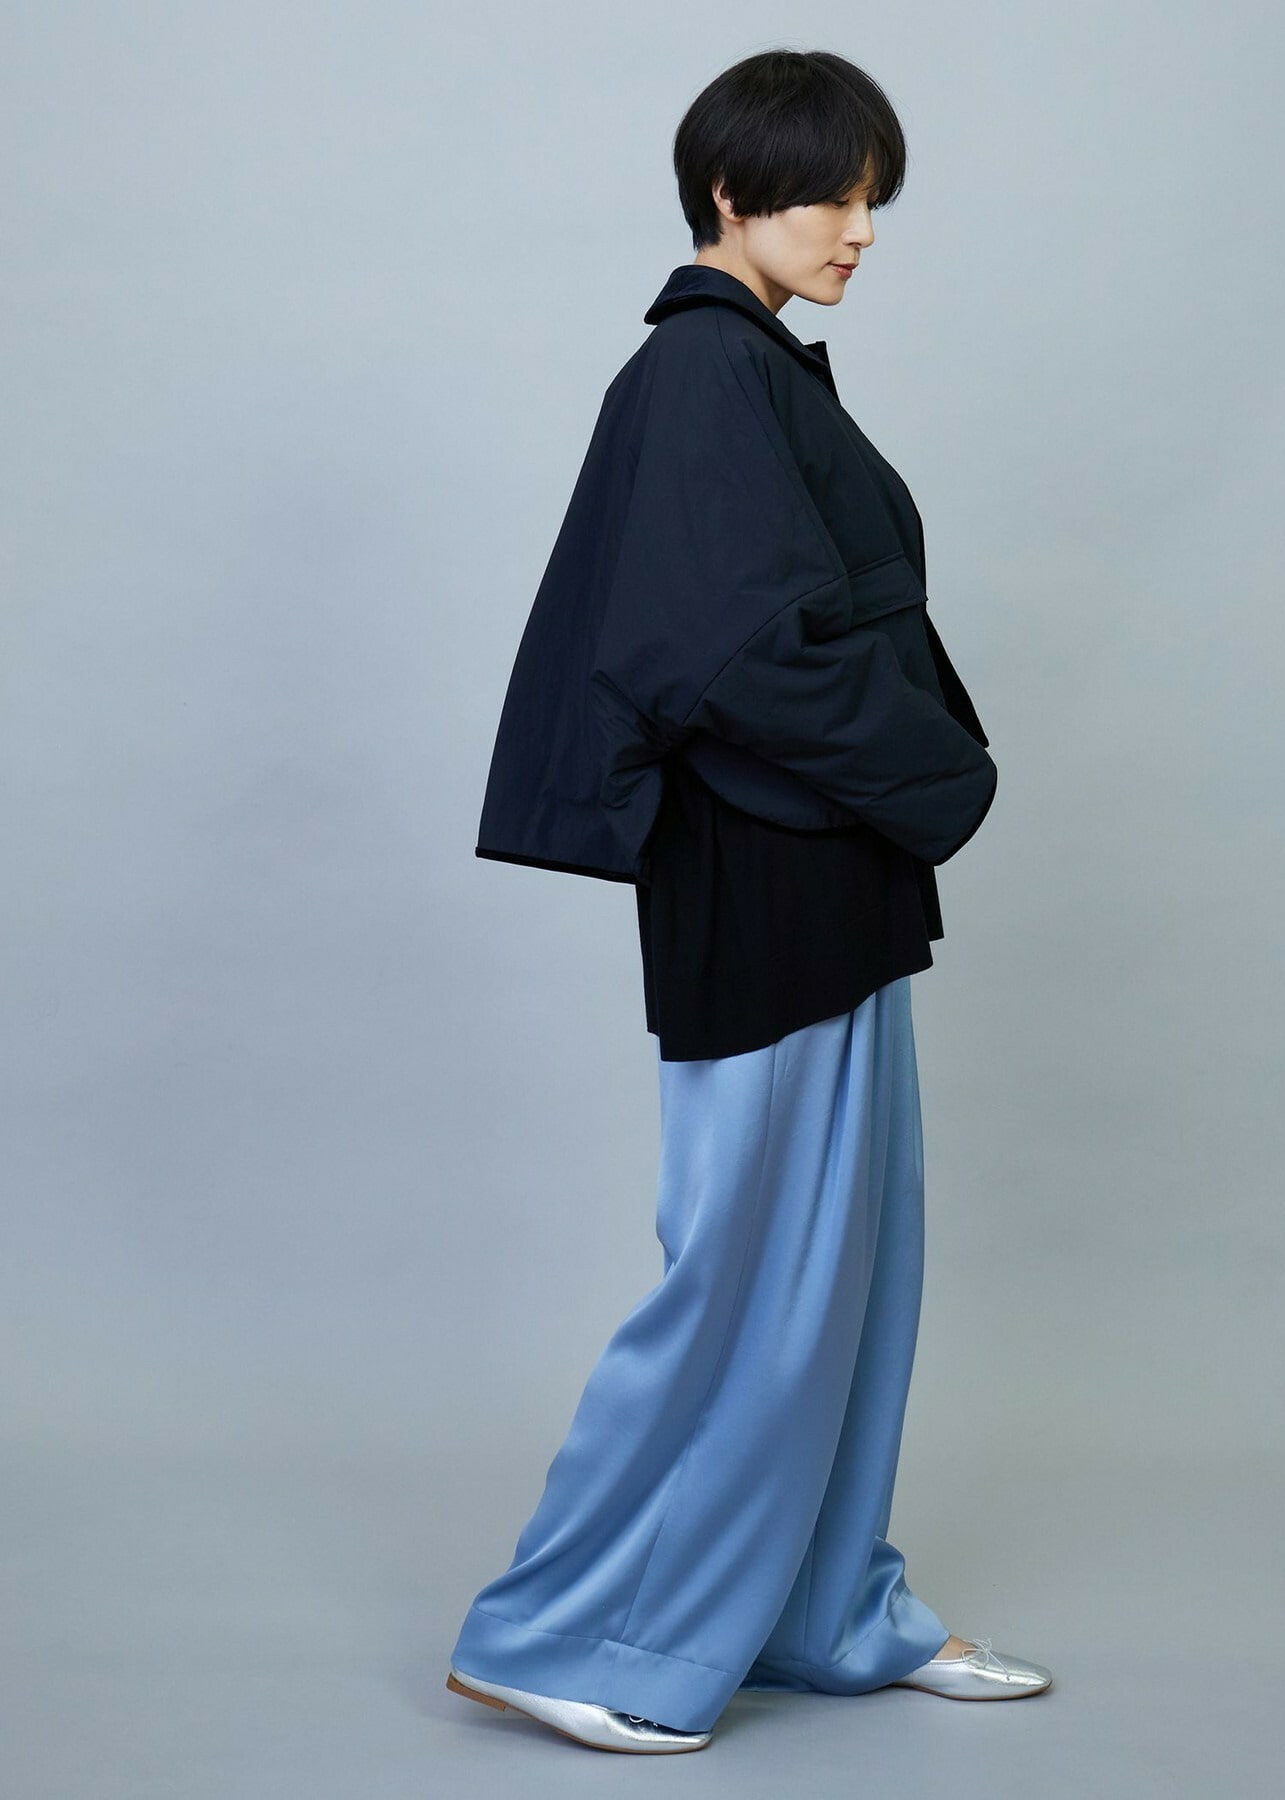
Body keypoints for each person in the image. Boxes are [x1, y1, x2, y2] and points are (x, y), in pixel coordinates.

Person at [445, 47, 1053, 1754]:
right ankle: (571, 1635)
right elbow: (722, 653)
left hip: (828, 871)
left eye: (873, 201)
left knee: (848, 1277)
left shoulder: (753, 368)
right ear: (729, 192)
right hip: (766, 878)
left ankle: (821, 1609)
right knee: (751, 1280)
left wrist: (906, 792)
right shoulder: (701, 371)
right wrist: (948, 776)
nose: (860, 231)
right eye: (830, 196)